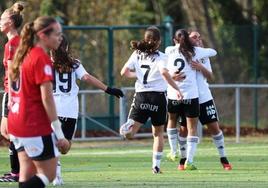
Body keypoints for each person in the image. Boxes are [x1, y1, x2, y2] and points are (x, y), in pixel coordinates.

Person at [50, 34, 124, 185]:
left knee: (62, 146)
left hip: (53, 110)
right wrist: (108, 89)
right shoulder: (75, 64)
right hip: (69, 111)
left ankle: (53, 164)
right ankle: (56, 173)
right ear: (67, 47)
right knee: (63, 146)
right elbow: (87, 78)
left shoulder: (46, 64)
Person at [8, 16, 70, 188]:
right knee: (48, 173)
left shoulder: (23, 55)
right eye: (57, 34)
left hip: (17, 122)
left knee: (26, 173)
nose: (60, 38)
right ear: (43, 35)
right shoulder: (41, 58)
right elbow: (47, 98)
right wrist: (60, 134)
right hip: (32, 124)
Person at [120, 26, 183, 174]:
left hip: (141, 96)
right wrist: (177, 89)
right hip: (158, 98)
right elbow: (164, 73)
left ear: (144, 39)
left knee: (130, 134)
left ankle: (126, 127)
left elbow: (124, 72)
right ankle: (156, 166)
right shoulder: (162, 57)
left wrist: (139, 75)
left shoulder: (136, 54)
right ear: (159, 41)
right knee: (158, 134)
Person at [175, 31, 232, 170]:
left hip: (204, 98)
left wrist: (201, 67)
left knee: (214, 128)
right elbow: (170, 72)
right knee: (183, 130)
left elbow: (211, 76)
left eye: (200, 37)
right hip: (187, 97)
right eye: (195, 37)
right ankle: (183, 161)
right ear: (187, 39)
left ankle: (224, 158)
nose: (198, 39)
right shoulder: (180, 53)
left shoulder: (203, 55)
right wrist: (173, 77)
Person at [165, 29, 217, 170]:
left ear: (175, 40)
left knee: (172, 121)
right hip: (190, 95)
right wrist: (199, 48)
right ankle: (189, 161)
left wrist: (172, 76)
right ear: (187, 39)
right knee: (192, 128)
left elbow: (163, 71)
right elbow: (213, 52)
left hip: (174, 94)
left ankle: (173, 151)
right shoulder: (195, 51)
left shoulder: (169, 50)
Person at [0, 2, 24, 182]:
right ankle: (18, 170)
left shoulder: (11, 44)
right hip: (19, 92)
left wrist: (13, 96)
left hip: (12, 92)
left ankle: (20, 170)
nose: (0, 22)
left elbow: (13, 71)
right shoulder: (19, 41)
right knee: (11, 132)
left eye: (2, 19)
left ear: (11, 23)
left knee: (8, 131)